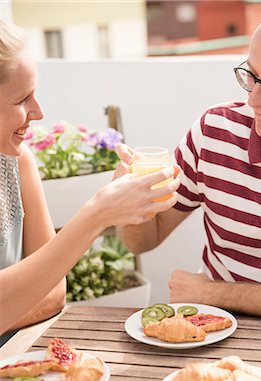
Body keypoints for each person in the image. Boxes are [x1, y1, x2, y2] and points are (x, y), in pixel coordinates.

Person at [116, 0, 261, 322]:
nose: (254, 99)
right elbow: (144, 240)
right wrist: (131, 202)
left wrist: (214, 294)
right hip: (212, 335)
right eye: (252, 76)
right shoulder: (214, 130)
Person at [0, 20, 180, 338]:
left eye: (35, 93)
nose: (39, 111)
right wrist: (96, 214)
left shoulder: (17, 162)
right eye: (22, 99)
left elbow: (54, 292)